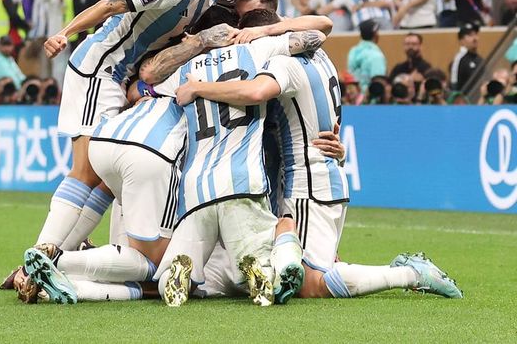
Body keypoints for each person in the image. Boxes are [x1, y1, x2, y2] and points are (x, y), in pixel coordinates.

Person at [18, 8, 332, 306]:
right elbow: (317, 34)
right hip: (198, 168)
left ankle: (73, 279)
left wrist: (194, 62)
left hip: (121, 146)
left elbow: (138, 89)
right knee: (152, 263)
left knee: (162, 253)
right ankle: (61, 259)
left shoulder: (185, 69)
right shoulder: (257, 52)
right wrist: (268, 31)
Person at [175, 26, 462, 302]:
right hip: (327, 177)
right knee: (302, 267)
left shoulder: (284, 64)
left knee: (311, 283)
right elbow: (322, 28)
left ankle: (409, 274)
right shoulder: (322, 57)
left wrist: (198, 88)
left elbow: (255, 92)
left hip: (306, 184)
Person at [33, 0, 251, 257]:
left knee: (107, 178)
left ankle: (60, 254)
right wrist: (64, 33)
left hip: (122, 78)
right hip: (100, 69)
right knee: (86, 171)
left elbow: (260, 5)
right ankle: (40, 254)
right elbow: (111, 4)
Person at [347, 20, 387, 93]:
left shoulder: (352, 51)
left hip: (354, 96)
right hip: (369, 98)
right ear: (375, 34)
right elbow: (378, 85)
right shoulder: (376, 56)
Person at [449, 24, 484, 93]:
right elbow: (454, 85)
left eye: (475, 34)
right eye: (470, 35)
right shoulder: (459, 59)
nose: (474, 38)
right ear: (461, 40)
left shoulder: (479, 59)